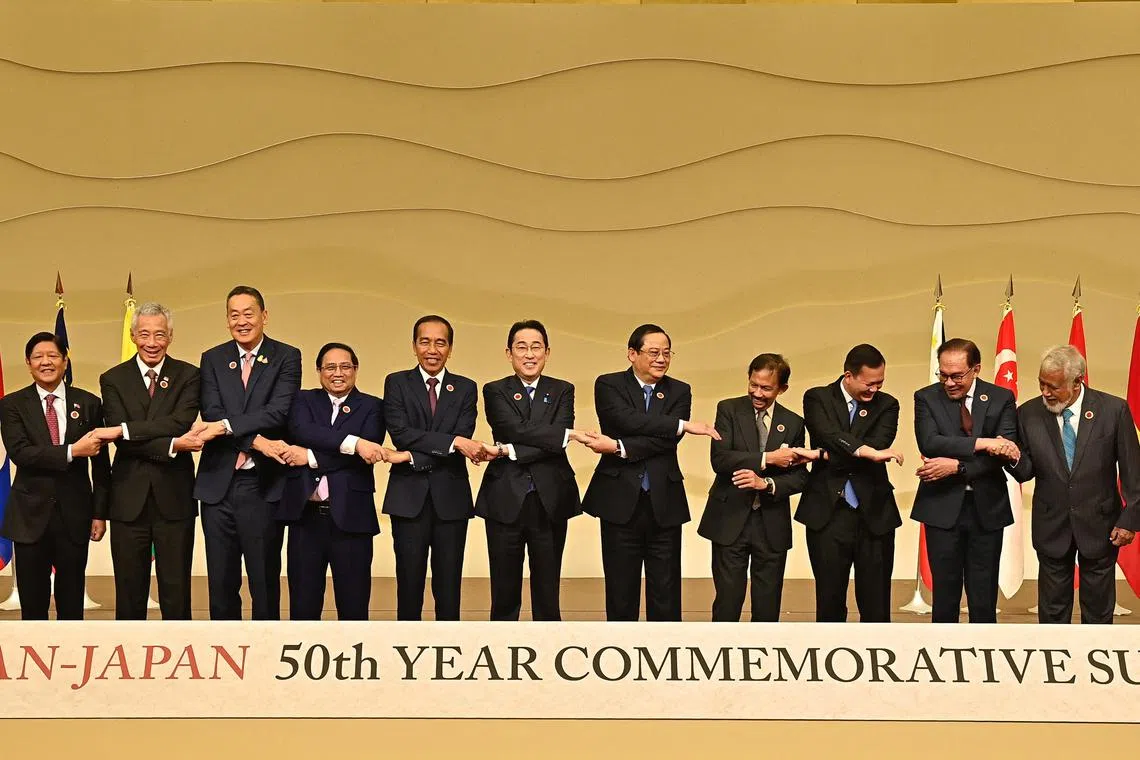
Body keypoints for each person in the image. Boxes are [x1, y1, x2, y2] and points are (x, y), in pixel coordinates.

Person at [581, 324, 721, 622]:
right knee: (620, 588)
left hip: (664, 499)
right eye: (654, 352)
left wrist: (618, 447)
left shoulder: (679, 390)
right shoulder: (608, 385)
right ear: (633, 354)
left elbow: (667, 442)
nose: (661, 359)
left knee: (666, 589)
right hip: (619, 500)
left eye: (667, 353)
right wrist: (681, 424)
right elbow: (623, 420)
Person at [1007, 345, 1140, 624]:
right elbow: (1026, 472)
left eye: (1053, 386)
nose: (1045, 392)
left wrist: (1129, 520)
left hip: (1101, 523)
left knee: (1098, 609)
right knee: (1052, 610)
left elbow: (1133, 472)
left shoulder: (1113, 410)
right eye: (1041, 384)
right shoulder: (1029, 413)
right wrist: (1011, 456)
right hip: (1051, 524)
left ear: (1078, 381)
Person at [192, 285, 302, 620]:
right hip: (218, 486)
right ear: (227, 320)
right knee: (221, 582)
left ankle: (265, 658)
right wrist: (256, 441)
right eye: (234, 314)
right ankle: (225, 657)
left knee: (264, 579)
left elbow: (277, 412)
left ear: (264, 316)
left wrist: (227, 427)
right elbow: (211, 412)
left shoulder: (286, 356)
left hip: (262, 484)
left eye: (248, 313)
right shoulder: (213, 358)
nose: (241, 321)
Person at [475, 320, 589, 621]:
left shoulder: (563, 389)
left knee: (548, 589)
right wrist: (556, 436)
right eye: (521, 347)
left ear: (547, 352)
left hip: (550, 498)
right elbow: (510, 427)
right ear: (509, 353)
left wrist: (506, 450)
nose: (529, 354)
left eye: (536, 347)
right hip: (504, 497)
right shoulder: (495, 390)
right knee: (503, 588)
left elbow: (556, 442)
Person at [97, 302, 201, 620]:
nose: (152, 342)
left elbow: (181, 422)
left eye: (159, 334)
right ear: (133, 335)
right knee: (129, 590)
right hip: (129, 498)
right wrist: (173, 444)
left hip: (175, 496)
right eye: (144, 334)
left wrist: (128, 430)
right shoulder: (113, 378)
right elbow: (120, 439)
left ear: (170, 336)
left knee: (176, 588)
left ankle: (182, 662)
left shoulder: (189, 375)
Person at [0, 332, 110, 619]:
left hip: (75, 514)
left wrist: (99, 513)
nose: (45, 362)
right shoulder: (12, 405)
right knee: (32, 604)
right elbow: (21, 452)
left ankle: (70, 662)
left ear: (65, 360)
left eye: (52, 356)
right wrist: (73, 450)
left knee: (72, 600)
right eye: (38, 357)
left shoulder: (88, 403)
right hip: (29, 517)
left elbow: (100, 466)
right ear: (28, 363)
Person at [382, 315, 483, 621]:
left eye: (440, 342)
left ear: (450, 348)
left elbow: (463, 435)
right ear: (414, 346)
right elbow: (400, 433)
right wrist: (453, 442)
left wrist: (412, 456)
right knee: (408, 583)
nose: (432, 349)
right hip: (408, 498)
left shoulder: (465, 387)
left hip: (450, 498)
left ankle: (449, 655)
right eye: (425, 341)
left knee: (449, 585)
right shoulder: (397, 382)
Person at [795, 344, 904, 623]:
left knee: (876, 602)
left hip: (874, 515)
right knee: (829, 599)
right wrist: (865, 452)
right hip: (828, 513)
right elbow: (827, 433)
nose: (874, 390)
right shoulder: (817, 398)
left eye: (880, 383)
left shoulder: (888, 404)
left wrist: (820, 454)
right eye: (868, 384)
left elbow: (880, 443)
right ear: (848, 376)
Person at [911, 337, 1018, 624]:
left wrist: (957, 467)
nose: (949, 382)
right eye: (943, 374)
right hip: (941, 508)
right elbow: (930, 443)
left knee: (983, 598)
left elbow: (1004, 452)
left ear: (976, 369)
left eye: (957, 375)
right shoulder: (926, 397)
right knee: (944, 597)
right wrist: (982, 443)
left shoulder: (1000, 398)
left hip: (987, 508)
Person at [278, 342, 385, 621]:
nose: (338, 373)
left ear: (356, 369)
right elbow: (303, 430)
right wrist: (354, 443)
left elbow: (365, 454)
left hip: (352, 518)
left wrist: (311, 457)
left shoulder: (373, 406)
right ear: (319, 371)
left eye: (345, 366)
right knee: (303, 606)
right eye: (330, 367)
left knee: (353, 607)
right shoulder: (302, 400)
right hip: (306, 518)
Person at [699, 353, 809, 622]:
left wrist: (767, 483)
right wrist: (768, 459)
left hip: (770, 522)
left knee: (768, 604)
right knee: (727, 600)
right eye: (753, 385)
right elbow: (721, 459)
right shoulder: (729, 410)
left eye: (766, 388)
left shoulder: (793, 422)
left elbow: (800, 477)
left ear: (782, 389)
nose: (757, 393)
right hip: (730, 519)